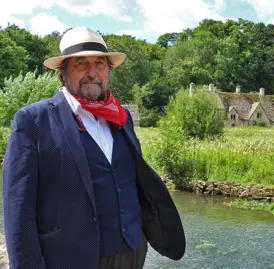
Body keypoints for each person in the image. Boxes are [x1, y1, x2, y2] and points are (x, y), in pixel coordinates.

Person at [2, 27, 185, 269]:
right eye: (81, 64)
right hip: (70, 258)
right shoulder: (33, 121)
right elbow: (18, 210)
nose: (92, 72)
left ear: (108, 71)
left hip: (132, 252)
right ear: (63, 72)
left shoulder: (122, 117)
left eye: (100, 63)